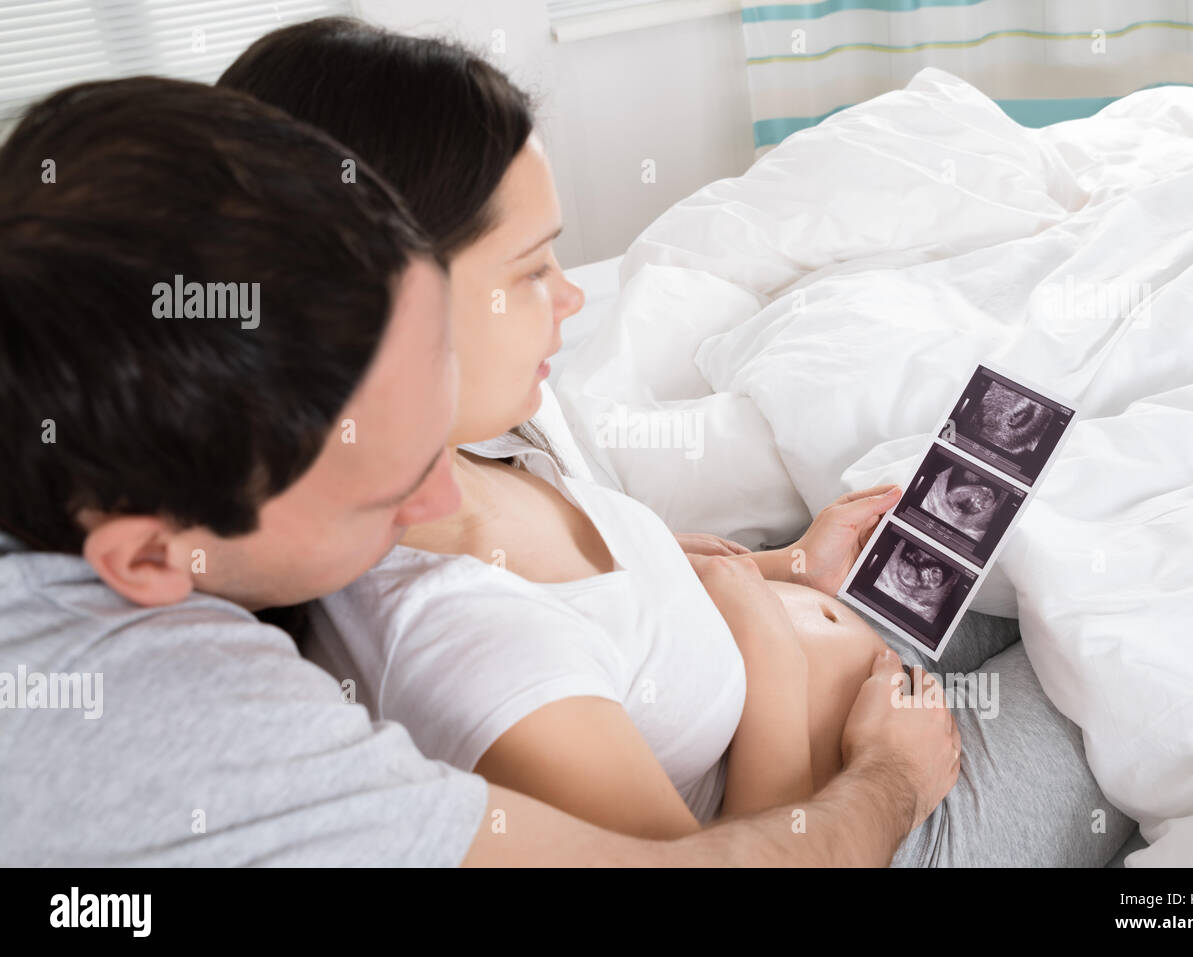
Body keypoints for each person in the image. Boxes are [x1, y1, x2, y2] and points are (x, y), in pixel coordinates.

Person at [216, 19, 1136, 865]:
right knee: (1132, 670)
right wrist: (850, 737)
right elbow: (729, 858)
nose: (572, 297)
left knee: (1095, 533)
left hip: (850, 661)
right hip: (877, 814)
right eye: (532, 269)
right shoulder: (470, 651)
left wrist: (785, 570)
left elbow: (628, 592)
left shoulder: (484, 434)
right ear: (388, 311)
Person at [0, 76, 955, 866]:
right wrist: (889, 775)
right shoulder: (205, 733)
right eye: (385, 489)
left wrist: (779, 572)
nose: (446, 494)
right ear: (153, 556)